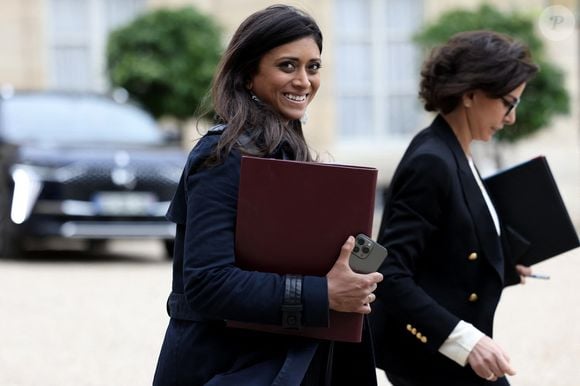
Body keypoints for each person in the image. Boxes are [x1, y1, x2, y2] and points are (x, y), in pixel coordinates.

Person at [152, 5, 383, 386]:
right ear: (247, 75)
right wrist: (323, 293)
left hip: (279, 363)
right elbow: (208, 282)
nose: (304, 81)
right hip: (227, 368)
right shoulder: (222, 156)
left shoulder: (281, 148)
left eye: (313, 67)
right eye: (288, 66)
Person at [370, 30, 539, 386]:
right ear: (471, 93)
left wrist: (503, 266)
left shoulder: (455, 149)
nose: (511, 118)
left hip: (453, 352)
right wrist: (466, 340)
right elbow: (389, 272)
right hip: (431, 357)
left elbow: (450, 246)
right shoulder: (431, 160)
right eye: (509, 102)